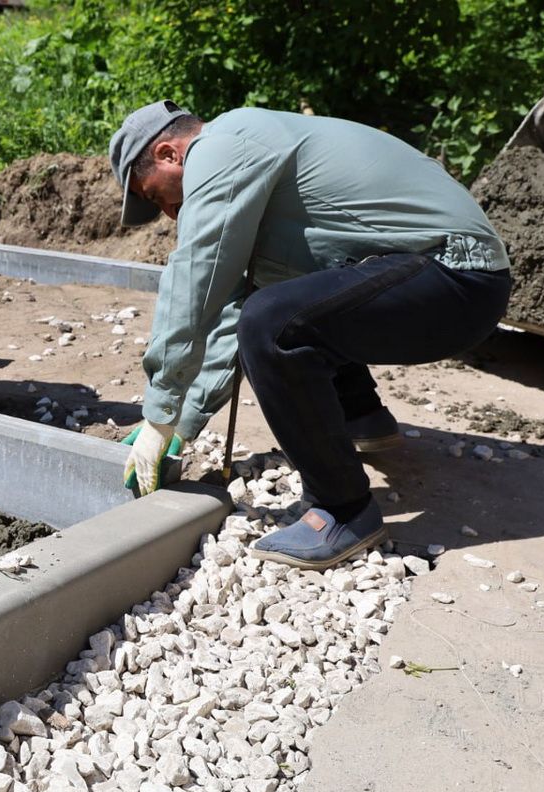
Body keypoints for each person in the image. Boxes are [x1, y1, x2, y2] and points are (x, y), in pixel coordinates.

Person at [110, 100, 511, 570]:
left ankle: (344, 511)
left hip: (456, 276)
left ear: (168, 153)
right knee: (289, 304)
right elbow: (230, 312)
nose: (170, 214)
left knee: (273, 323)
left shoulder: (224, 146)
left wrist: (158, 409)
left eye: (158, 197)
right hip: (448, 279)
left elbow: (197, 276)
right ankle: (362, 418)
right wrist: (179, 425)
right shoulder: (258, 156)